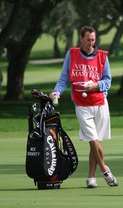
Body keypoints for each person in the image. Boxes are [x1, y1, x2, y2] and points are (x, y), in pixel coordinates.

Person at [50, 26, 118, 188]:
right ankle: (105, 171)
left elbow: (107, 81)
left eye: (93, 40)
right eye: (88, 40)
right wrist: (56, 92)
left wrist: (95, 86)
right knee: (93, 140)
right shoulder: (72, 54)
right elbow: (64, 78)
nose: (91, 43)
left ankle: (90, 178)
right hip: (81, 105)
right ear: (81, 39)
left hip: (100, 103)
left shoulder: (102, 56)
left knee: (95, 141)